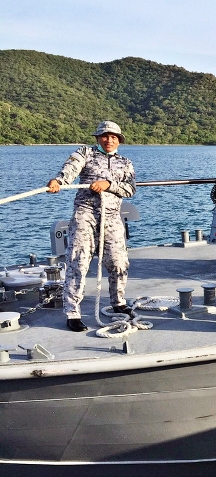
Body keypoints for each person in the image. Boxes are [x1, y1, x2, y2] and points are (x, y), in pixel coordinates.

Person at [46, 120, 136, 332]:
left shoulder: (125, 163)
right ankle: (72, 312)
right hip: (85, 215)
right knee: (78, 262)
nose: (109, 140)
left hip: (112, 217)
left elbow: (130, 189)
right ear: (98, 138)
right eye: (104, 136)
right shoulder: (85, 153)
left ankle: (118, 302)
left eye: (113, 137)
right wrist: (58, 181)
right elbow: (70, 170)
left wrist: (109, 185)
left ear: (119, 140)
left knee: (118, 262)